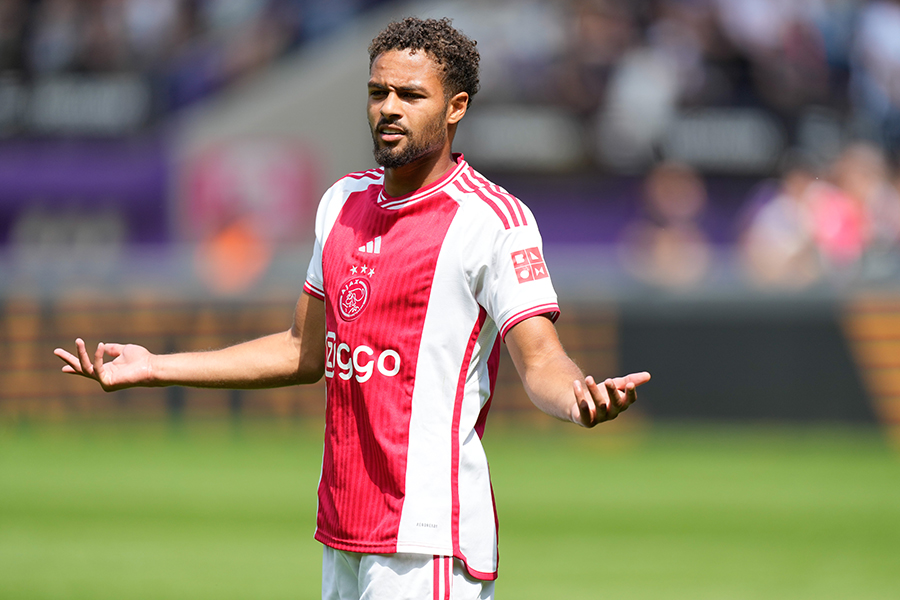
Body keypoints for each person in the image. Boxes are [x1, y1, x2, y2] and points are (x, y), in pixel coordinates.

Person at [54, 17, 651, 600]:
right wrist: (155, 367)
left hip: (427, 540)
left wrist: (579, 400)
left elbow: (542, 359)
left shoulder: (493, 220)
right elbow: (301, 350)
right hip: (343, 528)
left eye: (411, 94)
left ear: (456, 108)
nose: (389, 107)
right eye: (377, 92)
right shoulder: (341, 201)